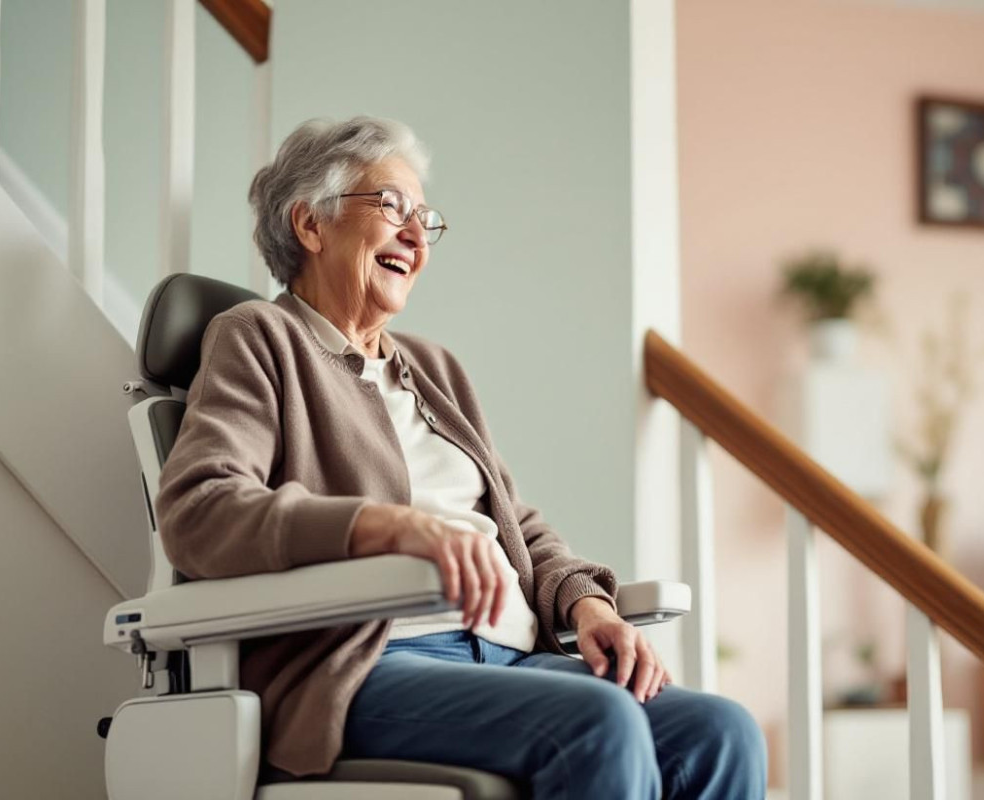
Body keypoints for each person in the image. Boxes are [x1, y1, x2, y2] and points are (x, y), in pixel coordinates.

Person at [155, 116, 766, 799]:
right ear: (310, 225)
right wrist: (387, 527)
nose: (417, 236)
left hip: (512, 656)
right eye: (391, 208)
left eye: (425, 219)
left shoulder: (432, 367)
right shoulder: (260, 338)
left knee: (720, 730)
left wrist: (589, 606)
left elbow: (518, 526)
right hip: (369, 662)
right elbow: (198, 511)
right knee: (598, 721)